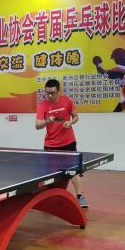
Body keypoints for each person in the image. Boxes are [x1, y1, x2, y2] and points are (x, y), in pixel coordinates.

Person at [35, 79, 88, 208]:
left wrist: (71, 122)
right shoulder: (43, 105)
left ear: (59, 91)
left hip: (68, 142)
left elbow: (76, 116)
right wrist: (47, 121)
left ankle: (80, 196)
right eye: (47, 93)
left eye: (52, 93)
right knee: (50, 173)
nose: (49, 95)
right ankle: (51, 197)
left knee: (74, 170)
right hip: (51, 145)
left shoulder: (67, 101)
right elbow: (37, 125)